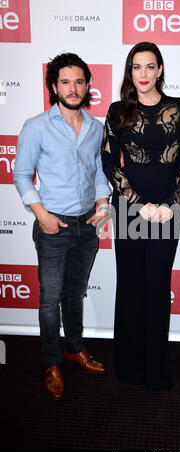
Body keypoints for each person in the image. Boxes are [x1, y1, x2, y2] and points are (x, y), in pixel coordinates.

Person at [14, 53, 111, 400]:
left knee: (75, 294)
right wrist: (41, 213)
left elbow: (100, 172)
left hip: (86, 226)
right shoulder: (36, 126)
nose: (73, 88)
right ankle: (51, 362)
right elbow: (22, 175)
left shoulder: (96, 127)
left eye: (79, 81)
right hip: (52, 225)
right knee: (49, 299)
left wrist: (103, 203)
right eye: (65, 82)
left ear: (87, 86)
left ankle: (75, 349)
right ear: (54, 86)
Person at [101, 42, 180, 390]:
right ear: (130, 72)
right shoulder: (117, 110)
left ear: (159, 70)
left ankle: (154, 366)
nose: (143, 74)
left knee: (157, 288)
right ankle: (128, 365)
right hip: (129, 210)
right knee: (130, 287)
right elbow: (109, 162)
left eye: (149, 66)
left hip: (168, 213)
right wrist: (140, 204)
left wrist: (171, 203)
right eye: (136, 67)